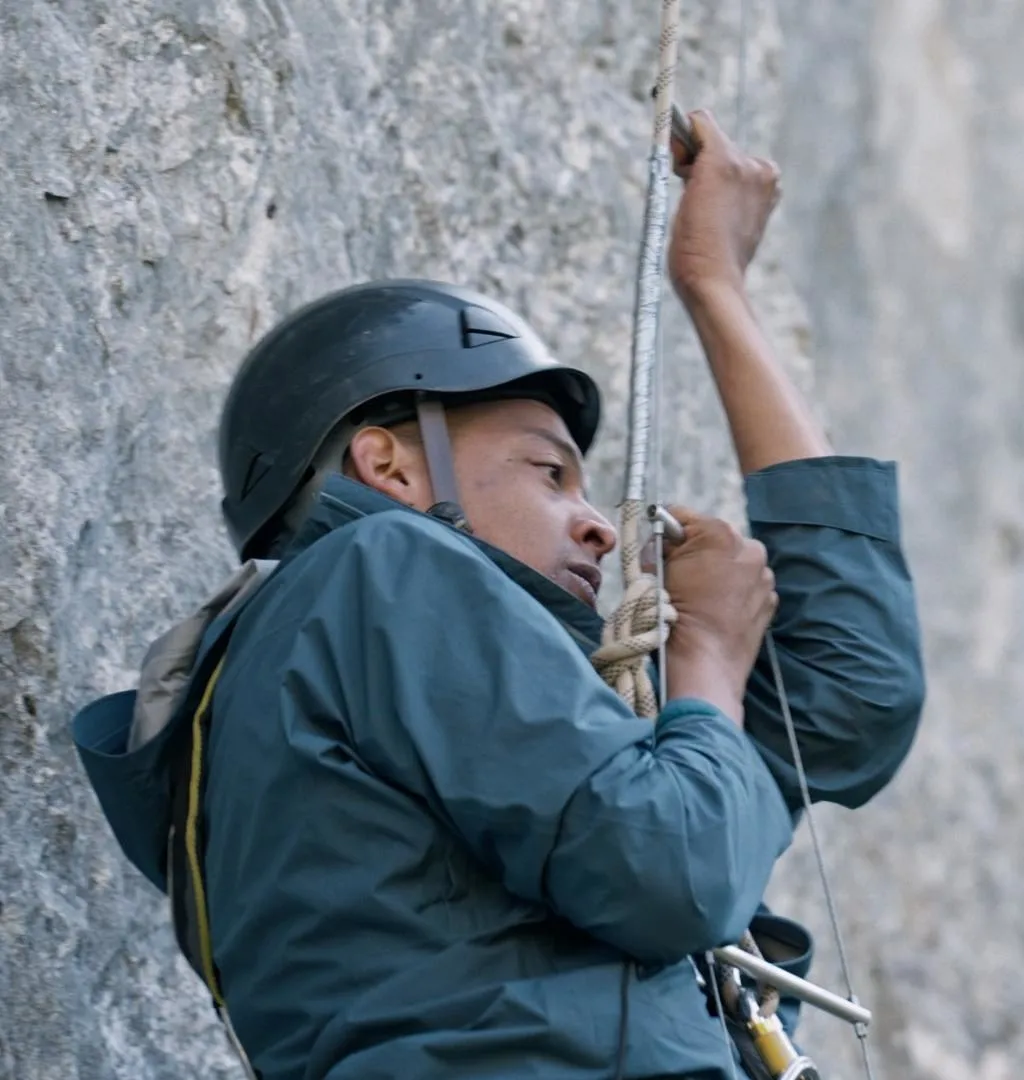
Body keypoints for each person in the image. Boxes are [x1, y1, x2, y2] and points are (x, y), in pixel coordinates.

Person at [71, 110, 924, 1079]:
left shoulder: (428, 693)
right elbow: (676, 873)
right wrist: (708, 661)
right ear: (391, 466)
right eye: (549, 473)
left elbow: (851, 697)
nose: (599, 525)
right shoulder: (378, 571)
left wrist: (717, 288)